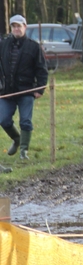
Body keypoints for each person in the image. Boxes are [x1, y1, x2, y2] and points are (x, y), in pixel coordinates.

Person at [0, 14, 48, 161]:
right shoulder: (3, 44)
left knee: (25, 121)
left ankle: (23, 152)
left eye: (19, 26)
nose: (16, 29)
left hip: (26, 91)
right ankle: (17, 139)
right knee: (3, 119)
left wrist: (40, 89)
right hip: (7, 91)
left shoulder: (33, 47)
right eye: (14, 26)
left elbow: (42, 69)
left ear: (25, 27)